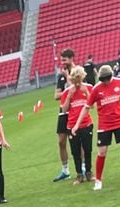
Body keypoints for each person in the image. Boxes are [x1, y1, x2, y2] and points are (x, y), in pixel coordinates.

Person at [73, 64, 120, 190]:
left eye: (107, 79)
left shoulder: (119, 83)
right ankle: (98, 181)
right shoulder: (96, 89)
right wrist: (77, 124)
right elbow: (86, 107)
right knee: (102, 152)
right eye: (103, 79)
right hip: (104, 125)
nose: (105, 82)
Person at [62, 67, 94, 184]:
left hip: (86, 123)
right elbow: (64, 110)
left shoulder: (88, 87)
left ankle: (89, 173)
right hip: (72, 125)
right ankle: (79, 175)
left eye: (79, 81)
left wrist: (86, 92)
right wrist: (69, 96)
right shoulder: (67, 91)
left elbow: (92, 106)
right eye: (75, 81)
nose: (77, 84)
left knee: (88, 149)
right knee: (75, 151)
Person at [52, 48, 78, 181]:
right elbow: (56, 95)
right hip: (63, 110)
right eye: (61, 59)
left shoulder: (78, 72)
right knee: (61, 141)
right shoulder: (60, 76)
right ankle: (65, 170)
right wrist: (67, 91)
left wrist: (69, 82)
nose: (62, 62)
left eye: (64, 60)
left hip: (75, 110)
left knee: (78, 141)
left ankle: (83, 167)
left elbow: (77, 89)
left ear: (71, 58)